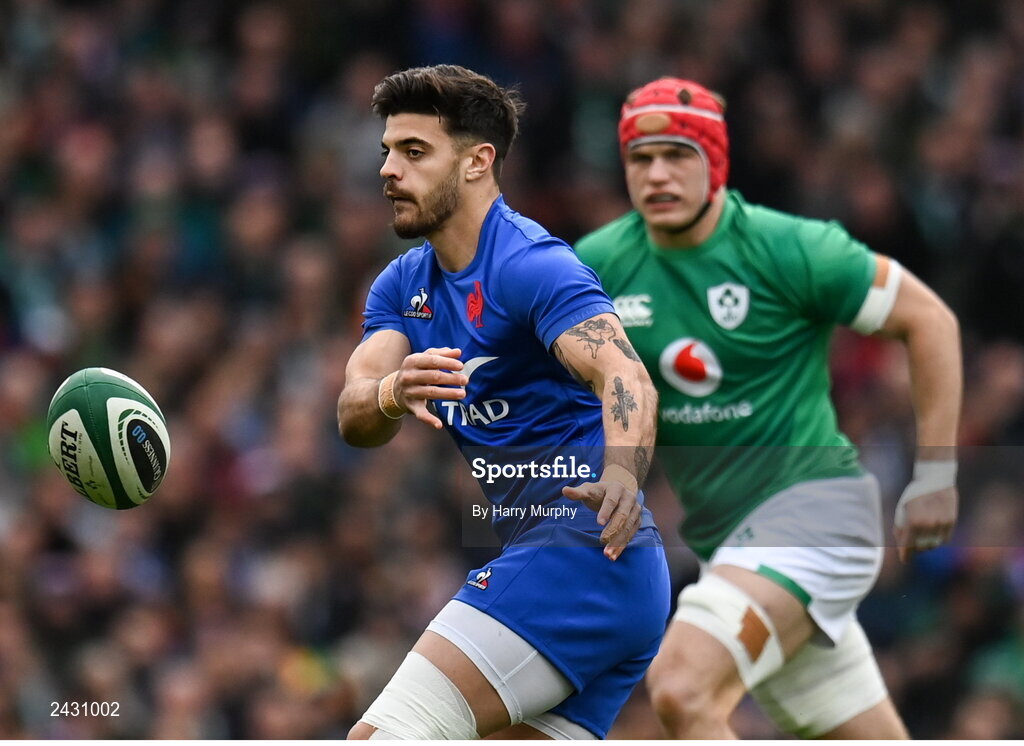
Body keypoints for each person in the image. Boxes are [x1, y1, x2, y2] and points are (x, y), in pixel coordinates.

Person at [575, 77, 962, 739]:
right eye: (641, 158)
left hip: (816, 515)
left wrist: (936, 473)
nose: (658, 174)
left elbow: (929, 319)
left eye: (678, 155)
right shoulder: (598, 264)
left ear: (715, 162)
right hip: (731, 547)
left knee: (681, 686)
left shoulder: (790, 248)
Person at [338, 65, 670, 740]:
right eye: (388, 151)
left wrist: (621, 473)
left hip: (581, 548)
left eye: (414, 151)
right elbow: (353, 414)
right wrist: (393, 391)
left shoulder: (530, 265)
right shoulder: (401, 286)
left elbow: (626, 377)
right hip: (603, 577)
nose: (389, 171)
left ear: (477, 161)